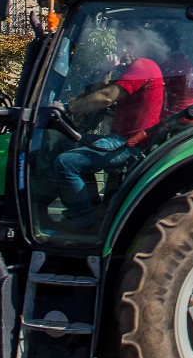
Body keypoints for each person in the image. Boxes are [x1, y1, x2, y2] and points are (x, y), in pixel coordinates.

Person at [55, 35, 167, 226]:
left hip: (127, 143)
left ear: (144, 48)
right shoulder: (134, 70)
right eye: (121, 46)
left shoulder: (143, 66)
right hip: (121, 139)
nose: (123, 51)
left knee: (65, 163)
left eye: (129, 44)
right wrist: (106, 71)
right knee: (67, 141)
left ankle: (84, 221)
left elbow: (107, 97)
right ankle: (93, 210)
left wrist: (67, 108)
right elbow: (100, 95)